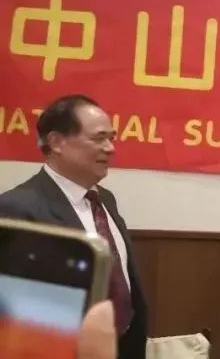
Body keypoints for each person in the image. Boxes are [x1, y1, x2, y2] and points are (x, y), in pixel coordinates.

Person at [0, 95, 148, 359]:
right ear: (57, 142)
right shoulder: (18, 208)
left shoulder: (105, 200)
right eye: (99, 138)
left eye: (112, 138)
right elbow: (18, 311)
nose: (110, 148)